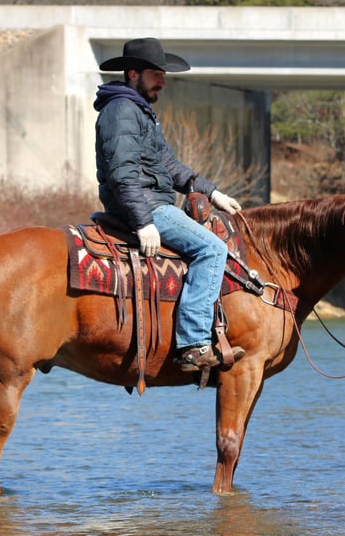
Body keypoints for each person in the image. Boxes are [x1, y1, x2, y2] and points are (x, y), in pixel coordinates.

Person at [94, 37, 243, 372]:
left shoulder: (140, 111)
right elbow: (122, 174)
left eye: (163, 75)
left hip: (150, 204)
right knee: (213, 249)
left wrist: (212, 192)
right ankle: (193, 345)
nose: (162, 82)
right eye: (156, 75)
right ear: (133, 74)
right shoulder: (121, 111)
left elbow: (169, 166)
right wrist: (143, 221)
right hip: (146, 207)